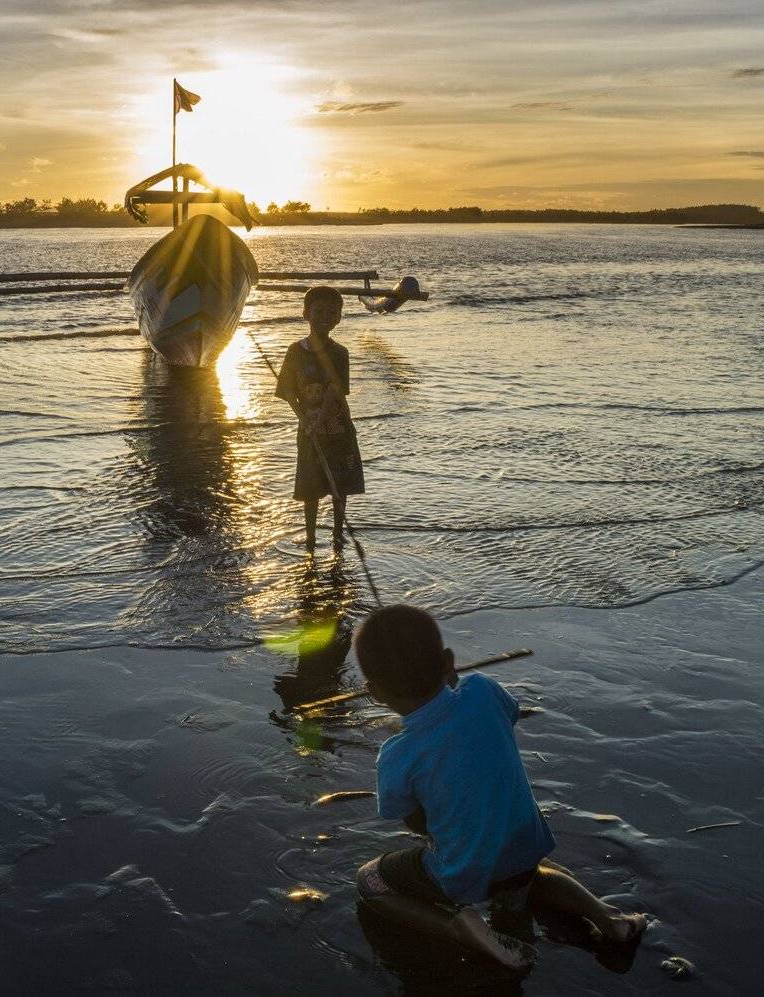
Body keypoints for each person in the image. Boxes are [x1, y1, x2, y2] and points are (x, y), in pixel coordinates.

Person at [353, 604, 647, 970]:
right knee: (528, 875)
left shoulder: (396, 755)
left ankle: (457, 926)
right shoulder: (482, 691)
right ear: (448, 661)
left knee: (370, 881)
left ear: (375, 693)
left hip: (463, 871)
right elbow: (508, 716)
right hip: (525, 846)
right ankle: (607, 916)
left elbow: (414, 822)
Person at [274, 286, 364, 551]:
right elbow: (287, 391)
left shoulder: (339, 353)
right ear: (306, 314)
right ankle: (311, 537)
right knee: (309, 484)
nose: (326, 317)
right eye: (319, 311)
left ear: (339, 318)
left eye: (332, 313)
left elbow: (336, 390)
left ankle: (338, 534)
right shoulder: (294, 351)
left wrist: (320, 418)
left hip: (338, 429)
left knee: (339, 485)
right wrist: (303, 419)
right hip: (308, 430)